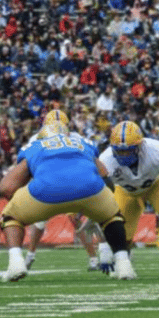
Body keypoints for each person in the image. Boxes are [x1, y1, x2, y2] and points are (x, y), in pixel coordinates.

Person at [0, 121, 136, 282]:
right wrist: (103, 208)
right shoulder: (82, 143)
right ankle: (123, 264)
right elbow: (105, 176)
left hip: (46, 191)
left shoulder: (35, 146)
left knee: (10, 218)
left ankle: (16, 263)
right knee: (113, 217)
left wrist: (25, 201)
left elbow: (6, 188)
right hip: (90, 189)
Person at [99, 121, 159, 278]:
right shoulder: (106, 160)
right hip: (126, 191)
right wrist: (104, 245)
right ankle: (125, 259)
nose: (123, 156)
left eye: (128, 151)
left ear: (139, 146)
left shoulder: (155, 150)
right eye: (120, 151)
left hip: (155, 184)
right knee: (121, 232)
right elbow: (99, 198)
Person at [22, 110, 112, 272]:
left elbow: (91, 157)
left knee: (84, 219)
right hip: (53, 182)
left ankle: (96, 256)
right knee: (40, 221)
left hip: (70, 181)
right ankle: (30, 254)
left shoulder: (74, 138)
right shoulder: (40, 139)